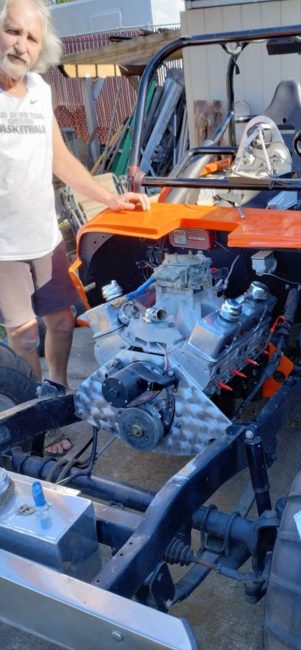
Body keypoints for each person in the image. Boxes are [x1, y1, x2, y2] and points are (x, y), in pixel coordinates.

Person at [0, 0, 150, 454]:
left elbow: (61, 160)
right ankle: (35, 436)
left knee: (62, 324)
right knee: (25, 337)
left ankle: (58, 396)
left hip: (45, 236)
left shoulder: (42, 91)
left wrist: (109, 197)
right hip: (3, 247)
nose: (20, 44)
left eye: (31, 37)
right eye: (13, 31)